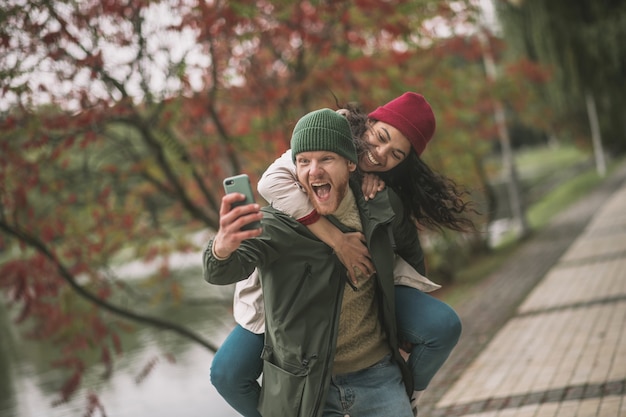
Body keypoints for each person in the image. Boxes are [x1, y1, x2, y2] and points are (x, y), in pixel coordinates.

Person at [210, 93, 476, 417]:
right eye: (379, 138)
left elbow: (409, 247)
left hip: (365, 339)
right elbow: (269, 184)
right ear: (366, 124)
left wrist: (403, 310)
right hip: (280, 300)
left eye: (395, 154)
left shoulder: (380, 195)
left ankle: (407, 395)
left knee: (441, 324)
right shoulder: (321, 142)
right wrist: (336, 239)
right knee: (228, 372)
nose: (379, 155)